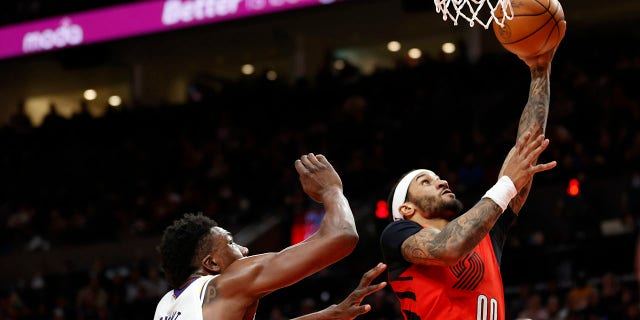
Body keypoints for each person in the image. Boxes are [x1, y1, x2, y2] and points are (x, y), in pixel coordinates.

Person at [379, 45, 563, 320]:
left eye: (438, 177)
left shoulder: (485, 233)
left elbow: (526, 148)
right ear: (405, 209)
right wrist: (505, 184)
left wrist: (540, 71)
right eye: (425, 181)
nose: (440, 181)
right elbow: (448, 248)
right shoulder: (397, 234)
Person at [154, 153, 387, 320]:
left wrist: (329, 315)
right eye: (230, 243)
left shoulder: (165, 307)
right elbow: (341, 236)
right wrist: (331, 190)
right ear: (211, 263)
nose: (244, 250)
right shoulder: (226, 284)